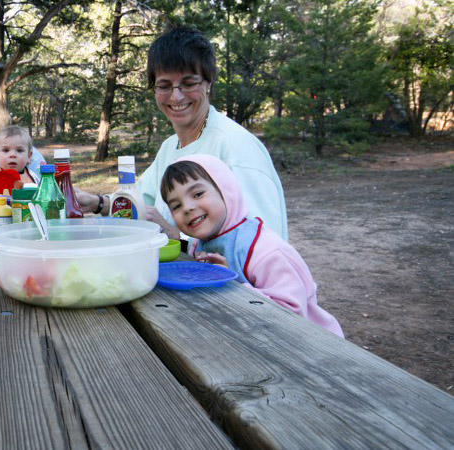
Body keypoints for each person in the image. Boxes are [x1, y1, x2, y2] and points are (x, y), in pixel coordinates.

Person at [76, 26, 287, 242]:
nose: (176, 97)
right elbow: (142, 200)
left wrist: (176, 239)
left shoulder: (235, 146)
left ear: (208, 83)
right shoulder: (171, 146)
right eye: (164, 86)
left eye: (188, 84)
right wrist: (97, 203)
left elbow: (263, 243)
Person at [160, 154, 343, 337]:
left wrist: (231, 286)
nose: (187, 207)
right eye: (176, 206)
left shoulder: (265, 250)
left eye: (198, 194)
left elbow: (291, 314)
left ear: (226, 191)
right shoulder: (199, 245)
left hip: (312, 347)